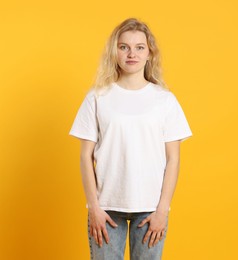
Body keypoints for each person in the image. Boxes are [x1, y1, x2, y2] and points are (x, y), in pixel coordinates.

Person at [69, 17, 192, 260]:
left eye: (139, 47)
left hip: (150, 208)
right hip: (105, 207)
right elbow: (85, 156)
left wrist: (162, 211)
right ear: (114, 52)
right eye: (124, 46)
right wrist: (93, 206)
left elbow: (173, 160)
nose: (131, 53)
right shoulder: (97, 97)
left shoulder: (165, 100)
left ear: (149, 53)